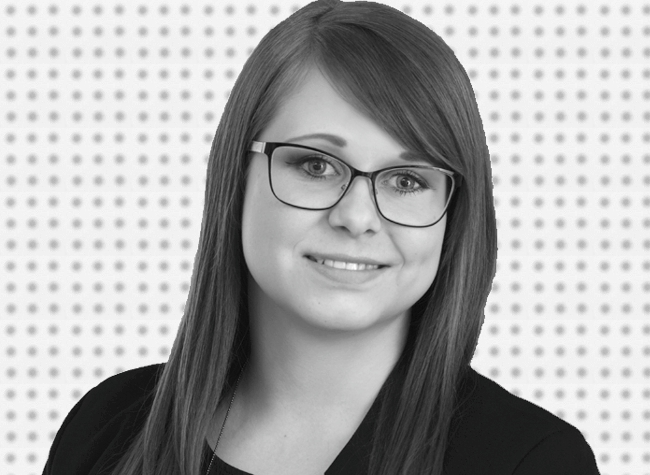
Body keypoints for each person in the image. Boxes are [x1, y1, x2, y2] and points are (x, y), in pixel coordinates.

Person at [42, 1, 601, 474]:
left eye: (407, 180)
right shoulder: (108, 426)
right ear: (237, 179)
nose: (357, 217)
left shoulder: (533, 460)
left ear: (455, 215)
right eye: (315, 165)